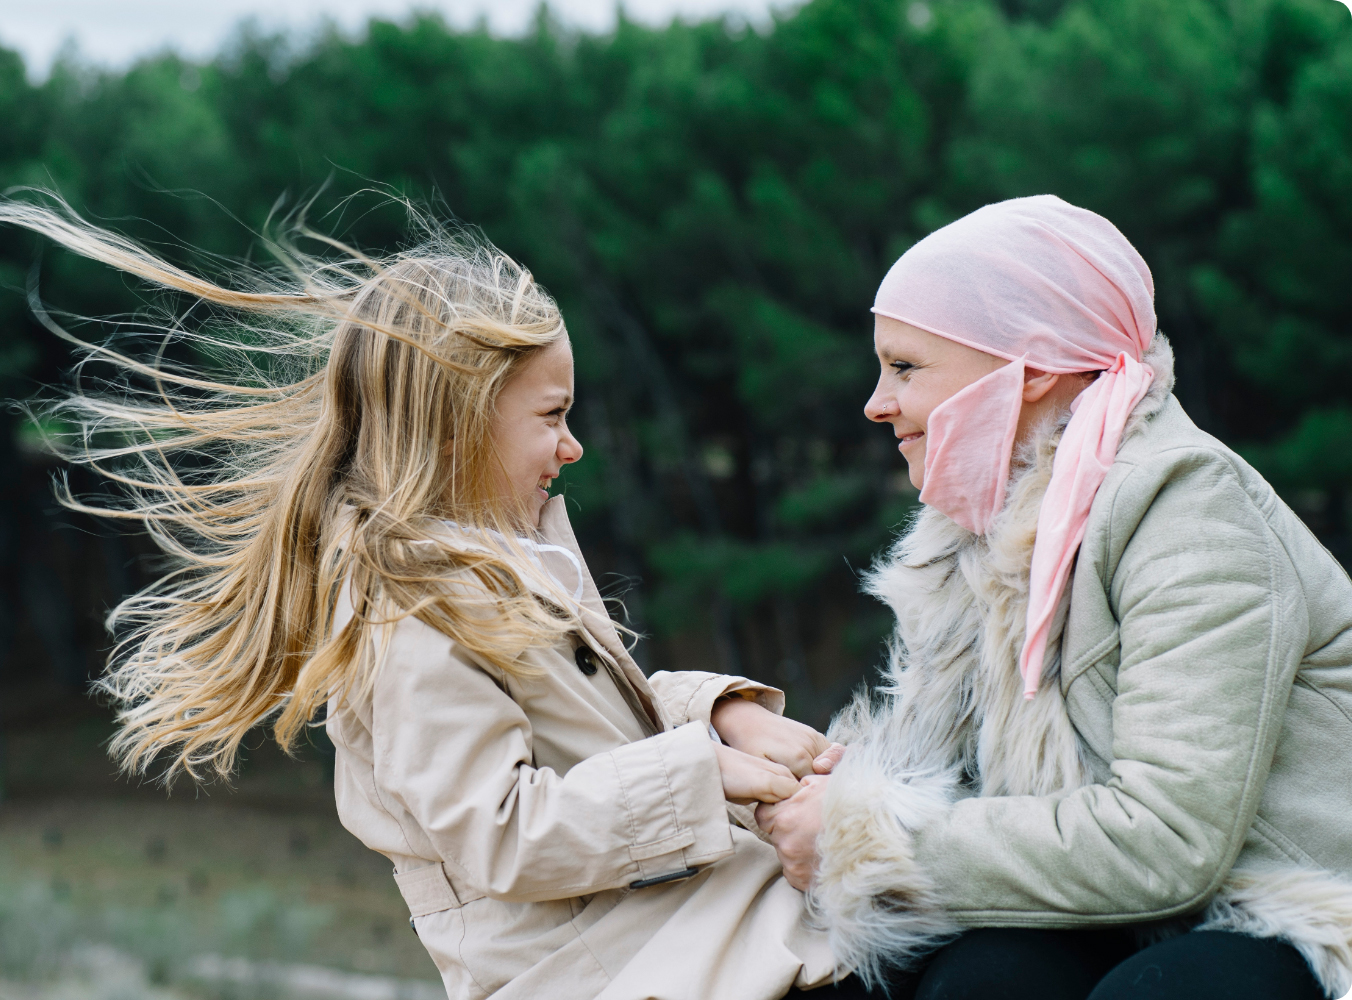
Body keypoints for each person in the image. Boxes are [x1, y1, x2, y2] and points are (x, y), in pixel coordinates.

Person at [2, 197, 847, 1000]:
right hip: (611, 970)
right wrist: (707, 775)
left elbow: (586, 737)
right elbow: (505, 831)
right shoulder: (405, 616)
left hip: (673, 934)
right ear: (457, 422)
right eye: (553, 415)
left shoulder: (492, 567)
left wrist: (719, 717)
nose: (574, 445)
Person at [761, 195, 1352, 1000]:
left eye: (905, 367)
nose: (875, 402)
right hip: (1115, 906)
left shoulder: (1187, 505)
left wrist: (866, 834)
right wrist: (826, 785)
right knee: (972, 981)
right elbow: (957, 776)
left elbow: (1170, 841)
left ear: (1032, 368)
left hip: (1281, 905)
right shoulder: (974, 523)